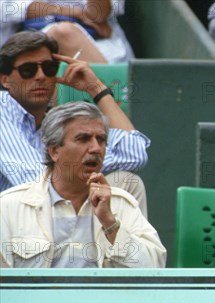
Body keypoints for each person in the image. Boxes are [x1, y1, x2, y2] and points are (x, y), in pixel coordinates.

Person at [0, 101, 166, 268]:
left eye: (101, 139)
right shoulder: (9, 206)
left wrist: (110, 224)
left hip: (101, 295)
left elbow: (153, 270)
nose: (96, 148)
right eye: (83, 139)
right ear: (54, 151)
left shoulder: (120, 204)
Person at [0, 31, 149, 215]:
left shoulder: (54, 119)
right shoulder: (2, 109)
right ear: (5, 80)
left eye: (49, 68)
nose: (40, 76)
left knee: (125, 181)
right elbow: (34, 181)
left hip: (55, 213)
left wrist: (97, 89)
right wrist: (84, 166)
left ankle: (121, 244)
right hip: (14, 225)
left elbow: (135, 153)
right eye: (28, 70)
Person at [0, 0, 134, 63]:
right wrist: (74, 13)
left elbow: (99, 14)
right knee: (63, 33)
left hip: (99, 47)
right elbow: (8, 9)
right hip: (28, 49)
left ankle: (113, 106)